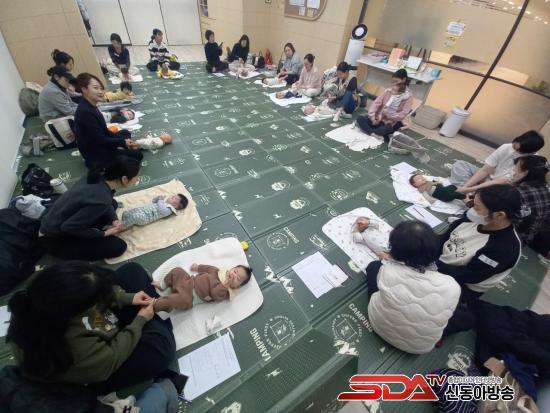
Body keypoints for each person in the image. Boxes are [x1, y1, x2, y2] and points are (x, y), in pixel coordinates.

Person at [7, 261, 179, 394]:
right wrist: (140, 321)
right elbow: (113, 355)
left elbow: (102, 291)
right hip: (99, 369)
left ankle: (151, 314)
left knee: (131, 270)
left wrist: (128, 298)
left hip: (96, 329)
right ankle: (152, 318)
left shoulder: (41, 298)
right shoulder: (68, 349)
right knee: (161, 347)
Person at [366, 221, 461, 354]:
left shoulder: (388, 270)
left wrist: (387, 259)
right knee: (467, 318)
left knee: (374, 267)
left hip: (377, 325)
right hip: (419, 348)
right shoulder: (452, 286)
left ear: (396, 252)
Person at [38, 155, 139, 261]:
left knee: (112, 204)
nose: (137, 179)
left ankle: (97, 229)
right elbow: (68, 227)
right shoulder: (102, 199)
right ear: (124, 179)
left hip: (54, 221)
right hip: (55, 238)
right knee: (118, 246)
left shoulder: (97, 176)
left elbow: (106, 202)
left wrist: (114, 220)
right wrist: (104, 233)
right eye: (136, 176)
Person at [437, 185, 523, 302]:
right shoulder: (475, 219)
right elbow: (444, 238)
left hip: (460, 284)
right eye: (473, 204)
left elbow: (468, 275)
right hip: (439, 263)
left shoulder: (505, 248)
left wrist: (431, 265)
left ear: (499, 215)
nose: (472, 210)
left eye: (477, 208)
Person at [74, 72, 142, 169]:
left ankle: (121, 149)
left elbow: (105, 131)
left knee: (125, 133)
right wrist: (123, 143)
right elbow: (101, 139)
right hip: (96, 153)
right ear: (84, 90)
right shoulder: (85, 112)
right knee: (138, 155)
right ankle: (102, 162)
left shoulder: (91, 106)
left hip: (99, 142)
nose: (100, 91)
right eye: (96, 88)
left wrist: (124, 141)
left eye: (101, 88)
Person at [450, 130, 545, 190]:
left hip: (503, 187)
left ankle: (472, 195)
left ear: (531, 152)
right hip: (490, 178)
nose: (514, 150)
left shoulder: (533, 162)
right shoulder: (506, 147)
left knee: (495, 195)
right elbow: (485, 170)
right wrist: (465, 187)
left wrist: (472, 188)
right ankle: (467, 193)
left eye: (519, 151)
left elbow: (503, 182)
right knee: (460, 165)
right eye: (514, 146)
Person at [152, 264, 252, 312]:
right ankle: (163, 285)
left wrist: (225, 285)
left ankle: (154, 305)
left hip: (190, 298)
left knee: (172, 301)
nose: (234, 276)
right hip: (188, 281)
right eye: (235, 271)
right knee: (177, 270)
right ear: (230, 269)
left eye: (238, 278)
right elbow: (208, 268)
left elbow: (215, 294)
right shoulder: (217, 271)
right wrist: (198, 267)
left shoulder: (225, 292)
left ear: (237, 287)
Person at [356, 68, 413, 142]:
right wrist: (373, 118)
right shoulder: (388, 91)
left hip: (391, 122)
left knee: (388, 129)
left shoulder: (408, 96)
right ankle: (373, 133)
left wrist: (389, 115)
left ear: (404, 80)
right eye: (393, 82)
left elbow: (403, 114)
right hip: (379, 119)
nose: (394, 84)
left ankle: (371, 131)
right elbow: (376, 103)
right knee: (360, 118)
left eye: (396, 81)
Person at [512, 155, 550, 257]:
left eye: (516, 169)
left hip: (512, 238)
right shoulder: (545, 190)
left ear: (526, 172)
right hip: (528, 237)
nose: (514, 172)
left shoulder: (517, 192)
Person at [121, 193, 189, 229]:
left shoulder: (170, 210)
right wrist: (158, 198)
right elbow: (153, 201)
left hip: (146, 217)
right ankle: (127, 219)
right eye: (173, 196)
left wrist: (160, 200)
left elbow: (161, 209)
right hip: (142, 210)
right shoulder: (164, 202)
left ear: (175, 206)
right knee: (128, 212)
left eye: (174, 198)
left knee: (136, 216)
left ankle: (123, 226)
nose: (172, 196)